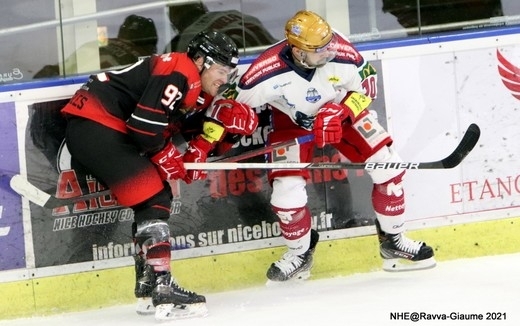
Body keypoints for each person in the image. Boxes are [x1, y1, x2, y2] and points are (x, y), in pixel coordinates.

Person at [204, 10, 436, 282]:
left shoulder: (342, 52)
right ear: (298, 51)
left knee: (389, 168)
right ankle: (300, 254)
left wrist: (342, 113)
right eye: (319, 50)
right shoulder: (265, 71)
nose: (329, 52)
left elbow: (368, 89)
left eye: (329, 45)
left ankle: (393, 241)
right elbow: (224, 106)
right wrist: (215, 138)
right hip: (291, 125)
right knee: (286, 196)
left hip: (342, 113)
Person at [59, 30, 258, 320]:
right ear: (201, 60)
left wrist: (216, 138)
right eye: (220, 70)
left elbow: (166, 130)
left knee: (153, 200)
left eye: (229, 73)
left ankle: (149, 285)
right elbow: (144, 128)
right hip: (98, 126)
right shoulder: (181, 70)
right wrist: (166, 156)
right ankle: (162, 287)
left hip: (99, 128)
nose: (224, 79)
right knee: (154, 198)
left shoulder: (193, 87)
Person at [34, 14, 158, 79]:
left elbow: (52, 71)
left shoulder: (98, 42)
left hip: (70, 95)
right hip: (102, 100)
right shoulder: (145, 60)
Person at [166, 2, 278, 53]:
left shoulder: (185, 39)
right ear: (203, 8)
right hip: (276, 60)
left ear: (176, 23)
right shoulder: (235, 13)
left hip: (240, 74)